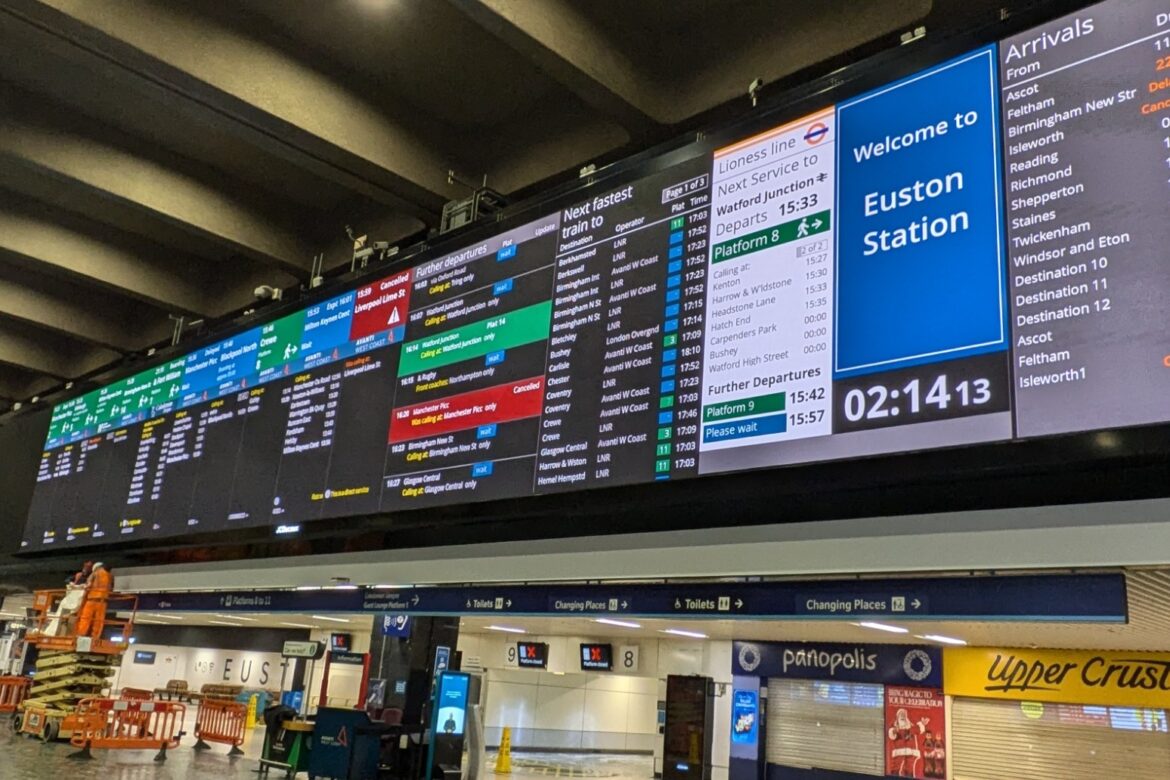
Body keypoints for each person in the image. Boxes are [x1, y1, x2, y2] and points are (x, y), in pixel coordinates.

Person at [76, 562, 113, 639]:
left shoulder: (95, 573)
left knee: (85, 618)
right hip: (103, 602)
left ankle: (80, 635)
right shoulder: (110, 576)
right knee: (99, 621)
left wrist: (82, 587)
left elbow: (88, 585)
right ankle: (95, 637)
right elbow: (111, 589)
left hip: (92, 600)